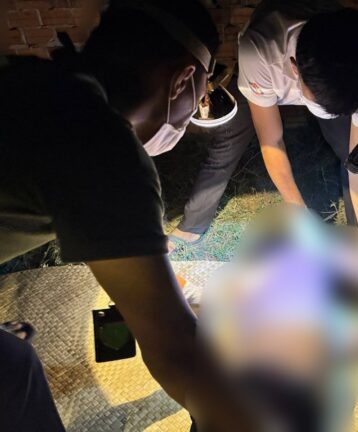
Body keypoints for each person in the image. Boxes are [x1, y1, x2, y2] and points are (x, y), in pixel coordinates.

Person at [0, 1, 259, 430]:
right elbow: (177, 352)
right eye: (200, 98)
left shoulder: (35, 81)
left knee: (15, 362)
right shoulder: (99, 144)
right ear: (182, 79)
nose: (193, 115)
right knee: (14, 376)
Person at [169, 0, 358, 248]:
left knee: (348, 149)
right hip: (264, 72)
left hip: (334, 82)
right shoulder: (259, 51)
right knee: (229, 141)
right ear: (294, 70)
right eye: (319, 103)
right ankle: (193, 223)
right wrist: (299, 213)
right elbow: (271, 140)